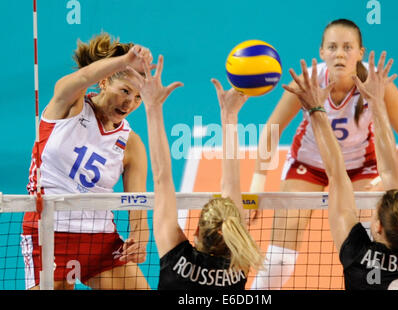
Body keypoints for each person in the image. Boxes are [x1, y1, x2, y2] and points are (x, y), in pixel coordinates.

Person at [250, 19, 398, 289]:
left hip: (361, 168)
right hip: (309, 164)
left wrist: (386, 180)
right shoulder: (308, 83)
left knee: (366, 250)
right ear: (322, 51)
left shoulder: (377, 84)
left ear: (360, 52)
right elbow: (272, 130)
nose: (340, 53)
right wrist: (255, 190)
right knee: (278, 260)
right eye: (332, 46)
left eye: (347, 47)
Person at [282, 51, 398, 289]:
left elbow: (337, 172)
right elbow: (386, 174)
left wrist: (315, 108)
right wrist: (377, 102)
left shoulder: (357, 254)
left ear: (377, 226)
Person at [21, 33, 151, 290]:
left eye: (138, 97)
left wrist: (140, 234)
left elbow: (137, 202)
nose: (129, 102)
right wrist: (124, 60)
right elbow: (81, 77)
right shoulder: (69, 106)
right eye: (124, 90)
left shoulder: (131, 143)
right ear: (103, 81)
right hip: (48, 232)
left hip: (99, 241)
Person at [136, 54, 264, 289]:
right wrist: (229, 115)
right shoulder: (240, 265)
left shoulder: (177, 258)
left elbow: (162, 175)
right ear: (235, 233)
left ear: (196, 230)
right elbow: (230, 184)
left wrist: (152, 106)